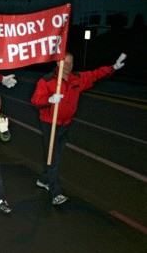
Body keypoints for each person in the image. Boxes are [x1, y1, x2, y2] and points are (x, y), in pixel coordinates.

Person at [30, 52, 126, 205]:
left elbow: (95, 75)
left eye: (70, 63)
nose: (67, 66)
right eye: (64, 63)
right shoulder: (47, 81)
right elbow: (35, 100)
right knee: (53, 157)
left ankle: (44, 180)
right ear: (57, 64)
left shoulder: (77, 78)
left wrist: (113, 68)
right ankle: (56, 193)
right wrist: (49, 100)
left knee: (57, 155)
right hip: (50, 123)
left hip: (65, 123)